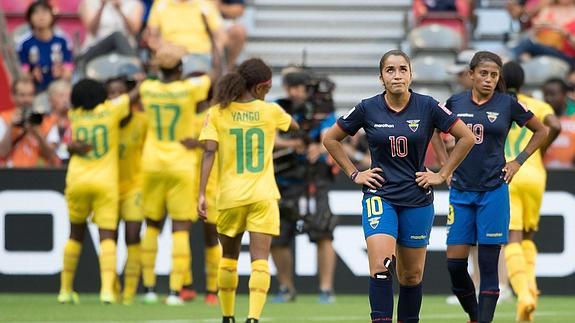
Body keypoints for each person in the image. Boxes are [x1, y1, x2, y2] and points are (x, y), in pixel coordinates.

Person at [323, 49, 476, 323]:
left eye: (402, 69)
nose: (397, 75)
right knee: (382, 268)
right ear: (381, 77)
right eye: (390, 70)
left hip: (417, 198)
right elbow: (331, 139)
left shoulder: (428, 105)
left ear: (411, 74)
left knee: (411, 275)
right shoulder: (367, 107)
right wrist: (354, 173)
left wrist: (442, 174)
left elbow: (466, 137)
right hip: (380, 196)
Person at [443, 51, 547, 323]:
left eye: (494, 75)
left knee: (489, 266)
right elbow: (432, 126)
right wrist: (445, 167)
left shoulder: (507, 104)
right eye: (484, 74)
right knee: (455, 264)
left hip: (494, 191)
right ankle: (475, 315)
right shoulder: (455, 101)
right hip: (461, 192)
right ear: (471, 75)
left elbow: (542, 130)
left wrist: (517, 162)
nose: (488, 79)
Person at [197, 58, 299, 323]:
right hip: (263, 196)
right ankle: (253, 318)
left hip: (229, 197)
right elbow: (295, 126)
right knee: (260, 260)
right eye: (267, 88)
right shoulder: (270, 111)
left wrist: (200, 194)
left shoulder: (217, 112)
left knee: (229, 258)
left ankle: (227, 316)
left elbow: (209, 152)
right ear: (260, 88)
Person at [139, 44, 219, 305]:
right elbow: (215, 73)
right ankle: (175, 292)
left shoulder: (147, 89)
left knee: (151, 225)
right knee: (180, 229)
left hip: (151, 162)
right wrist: (212, 41)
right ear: (181, 68)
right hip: (180, 164)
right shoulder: (188, 89)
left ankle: (149, 289)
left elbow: (143, 83)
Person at [57, 78, 137, 304]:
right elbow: (132, 97)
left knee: (75, 234)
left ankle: (65, 290)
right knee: (107, 235)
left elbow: (68, 141)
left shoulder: (76, 115)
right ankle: (107, 290)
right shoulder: (110, 110)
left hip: (77, 180)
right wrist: (143, 81)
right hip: (105, 182)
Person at [502, 61, 561, 322]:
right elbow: (554, 126)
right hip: (534, 173)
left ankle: (524, 294)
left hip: (508, 173)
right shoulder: (537, 104)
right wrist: (541, 151)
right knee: (528, 237)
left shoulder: (500, 103)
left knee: (511, 239)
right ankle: (531, 294)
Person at [104, 74, 148, 305]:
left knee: (132, 236)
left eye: (119, 92)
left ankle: (129, 292)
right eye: (110, 93)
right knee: (109, 239)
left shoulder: (142, 121)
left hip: (134, 187)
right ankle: (112, 287)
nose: (115, 97)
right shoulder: (104, 120)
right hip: (108, 188)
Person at [0, 76, 60, 167]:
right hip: (11, 174)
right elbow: (2, 152)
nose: (26, 99)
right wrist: (11, 126)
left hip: (39, 174)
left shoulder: (47, 120)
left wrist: (37, 133)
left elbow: (51, 154)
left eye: (30, 95)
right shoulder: (3, 118)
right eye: (22, 95)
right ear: (13, 96)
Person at [16, 0, 73, 92]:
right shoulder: (24, 44)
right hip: (35, 88)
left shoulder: (63, 40)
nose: (40, 16)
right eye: (36, 13)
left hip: (59, 86)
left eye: (44, 12)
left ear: (52, 16)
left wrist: (61, 73)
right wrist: (31, 75)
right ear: (29, 18)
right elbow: (23, 72)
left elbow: (68, 70)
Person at [76, 0, 143, 73]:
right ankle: (136, 66)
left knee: (117, 36)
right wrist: (101, 6)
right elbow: (92, 30)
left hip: (122, 51)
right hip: (96, 48)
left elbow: (134, 30)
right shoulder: (90, 3)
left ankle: (134, 67)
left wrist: (119, 9)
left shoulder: (133, 3)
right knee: (116, 36)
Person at [542, 78, 575, 168]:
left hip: (570, 173)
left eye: (552, 94)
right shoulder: (540, 117)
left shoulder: (573, 116)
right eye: (545, 94)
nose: (548, 98)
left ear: (564, 94)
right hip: (545, 171)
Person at [216, 0, 247, 71]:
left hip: (224, 22)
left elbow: (239, 9)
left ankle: (227, 71)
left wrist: (218, 7)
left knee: (239, 31)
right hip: (196, 22)